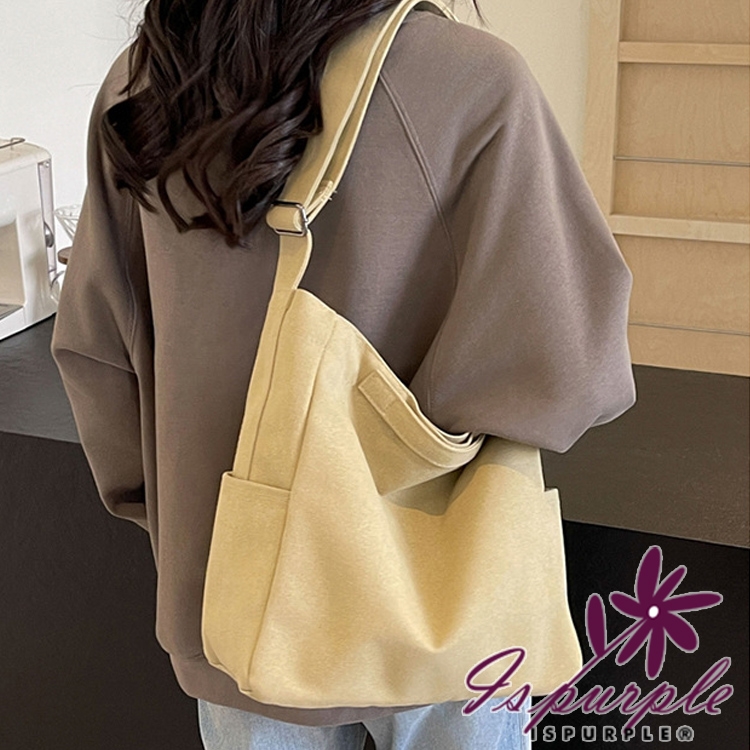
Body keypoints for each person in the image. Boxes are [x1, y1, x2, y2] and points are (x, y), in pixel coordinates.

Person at [50, 0, 637, 748]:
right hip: (437, 611)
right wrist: (408, 434)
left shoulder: (147, 84)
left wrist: (185, 520)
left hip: (233, 610)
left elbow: (97, 354)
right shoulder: (475, 83)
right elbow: (573, 371)